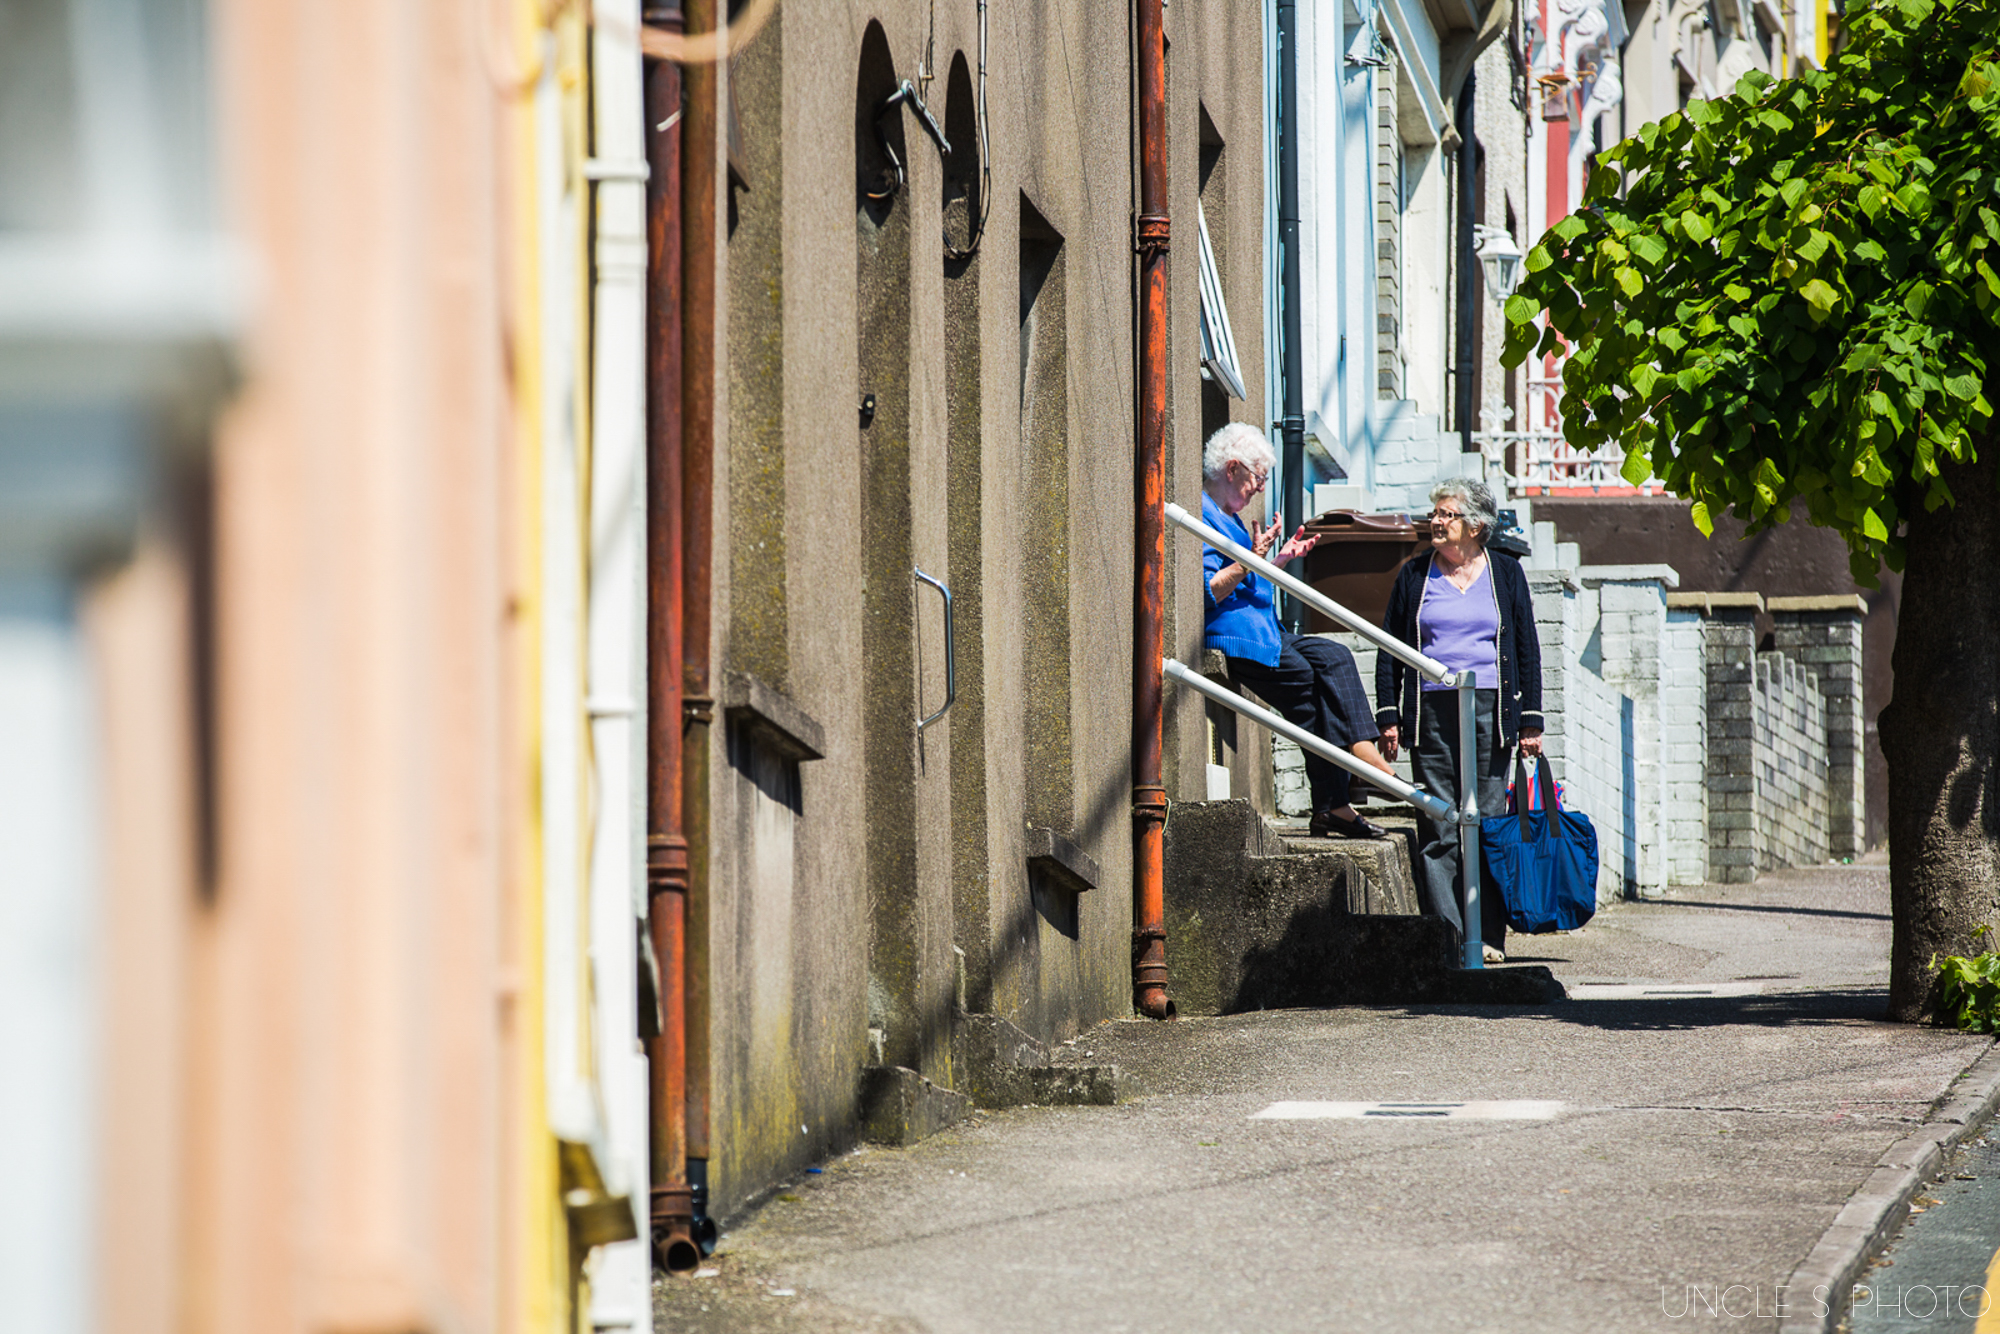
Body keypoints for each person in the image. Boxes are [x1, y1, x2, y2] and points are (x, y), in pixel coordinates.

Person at [1375, 477, 1545, 962]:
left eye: (1448, 514)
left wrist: (1530, 722)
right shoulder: (1414, 576)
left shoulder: (1506, 573)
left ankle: (1489, 937)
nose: (1437, 521)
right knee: (1438, 824)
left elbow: (1527, 649)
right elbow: (1390, 648)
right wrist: (1389, 714)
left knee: (1488, 823)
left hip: (1491, 710)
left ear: (1475, 525)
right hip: (1431, 708)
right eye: (1436, 514)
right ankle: (1449, 938)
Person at [1200, 423, 1397, 838]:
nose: (1260, 488)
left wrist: (1280, 558)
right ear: (1232, 469)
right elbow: (1209, 591)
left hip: (1265, 629)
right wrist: (1253, 560)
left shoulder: (1232, 520)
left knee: (1335, 655)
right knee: (1311, 689)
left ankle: (1360, 757)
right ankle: (1343, 794)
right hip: (1239, 636)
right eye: (1258, 477)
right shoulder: (1202, 514)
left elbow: (1247, 579)